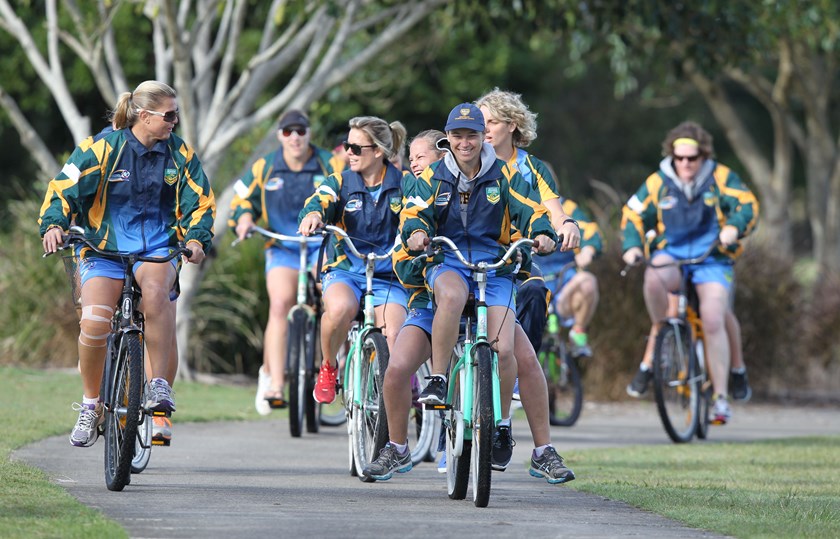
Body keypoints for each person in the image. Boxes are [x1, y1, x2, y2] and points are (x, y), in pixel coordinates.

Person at [365, 102, 574, 483]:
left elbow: (533, 210)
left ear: (483, 138)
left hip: (494, 272)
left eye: (472, 135)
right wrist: (416, 234)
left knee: (513, 352)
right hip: (448, 268)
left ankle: (531, 444)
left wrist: (543, 233)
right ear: (448, 140)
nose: (465, 142)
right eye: (457, 136)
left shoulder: (506, 176)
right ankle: (403, 436)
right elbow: (413, 214)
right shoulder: (431, 177)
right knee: (397, 368)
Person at [39, 80, 215, 447]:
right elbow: (62, 189)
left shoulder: (180, 154)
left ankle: (159, 389)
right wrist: (54, 224)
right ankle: (91, 405)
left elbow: (200, 203)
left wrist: (197, 239)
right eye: (168, 115)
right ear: (144, 115)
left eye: (176, 114)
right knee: (94, 320)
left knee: (155, 295)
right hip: (102, 249)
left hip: (155, 248)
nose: (174, 121)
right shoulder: (102, 148)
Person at [621, 121, 758, 425]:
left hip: (713, 258)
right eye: (679, 158)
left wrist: (734, 228)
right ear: (672, 156)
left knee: (713, 317)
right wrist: (632, 246)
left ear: (703, 156)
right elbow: (632, 214)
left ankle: (721, 399)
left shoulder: (720, 177)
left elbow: (746, 205)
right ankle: (663, 335)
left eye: (692, 159)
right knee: (654, 278)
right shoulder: (658, 182)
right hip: (672, 253)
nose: (685, 164)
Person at [230, 109, 339, 415]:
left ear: (309, 133)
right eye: (288, 132)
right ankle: (275, 383)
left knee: (332, 301)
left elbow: (347, 191)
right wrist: (245, 219)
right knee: (280, 303)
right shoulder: (265, 166)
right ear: (280, 135)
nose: (295, 137)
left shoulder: (328, 162)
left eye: (300, 131)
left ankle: (328, 365)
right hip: (282, 246)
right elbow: (241, 199)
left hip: (322, 246)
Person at [299, 116, 410, 405]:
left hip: (388, 275)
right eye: (347, 146)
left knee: (396, 332)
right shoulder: (339, 182)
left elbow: (421, 213)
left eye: (355, 147)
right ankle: (328, 367)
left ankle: (388, 400)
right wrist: (313, 216)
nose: (347, 152)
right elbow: (319, 200)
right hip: (346, 270)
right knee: (340, 309)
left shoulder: (405, 184)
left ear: (378, 151)